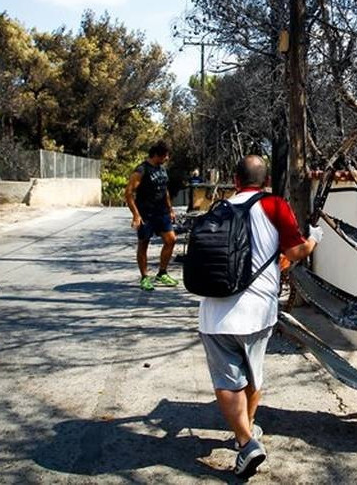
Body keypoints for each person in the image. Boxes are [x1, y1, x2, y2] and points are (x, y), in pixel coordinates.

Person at [199, 154, 323, 478]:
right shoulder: (275, 205)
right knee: (253, 376)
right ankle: (246, 437)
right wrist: (314, 239)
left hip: (215, 312)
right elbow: (296, 252)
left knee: (228, 381)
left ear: (236, 180)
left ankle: (246, 438)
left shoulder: (219, 208)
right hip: (258, 312)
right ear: (266, 181)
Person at [124, 140, 179, 292]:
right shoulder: (141, 170)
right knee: (144, 244)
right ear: (157, 155)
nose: (167, 158)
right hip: (146, 214)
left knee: (171, 240)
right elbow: (128, 194)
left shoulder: (161, 169)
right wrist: (136, 215)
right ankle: (144, 277)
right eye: (165, 155)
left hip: (161, 212)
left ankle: (162, 273)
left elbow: (164, 190)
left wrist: (170, 209)